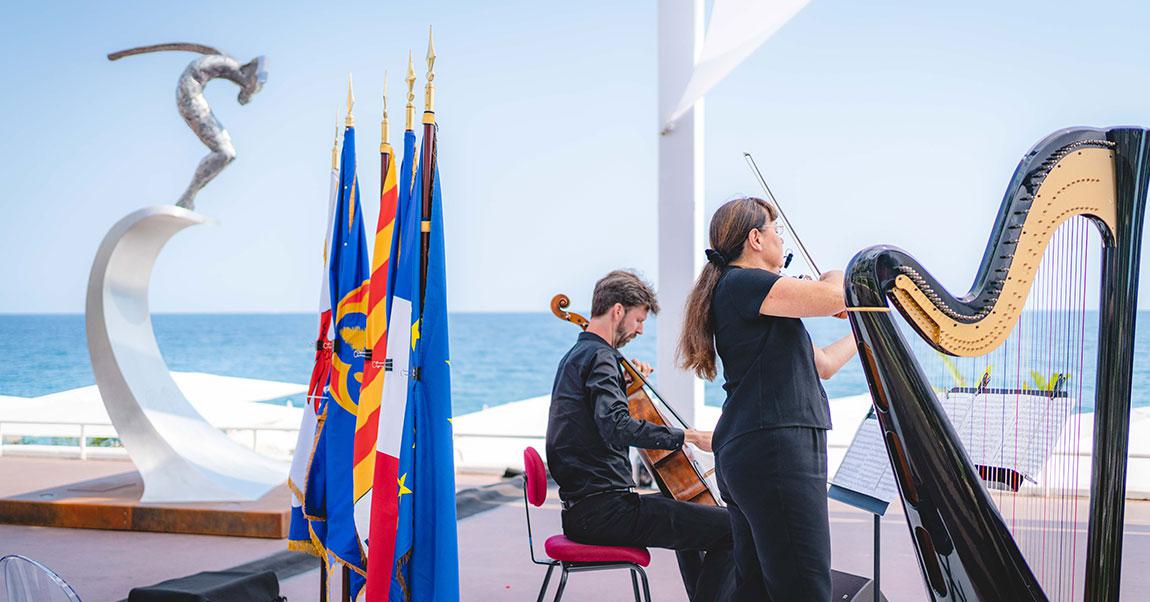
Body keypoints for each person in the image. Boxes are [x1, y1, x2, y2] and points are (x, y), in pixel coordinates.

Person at [678, 197, 857, 601]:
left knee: (757, 589)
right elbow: (835, 295)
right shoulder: (745, 283)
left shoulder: (752, 297)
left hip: (755, 449)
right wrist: (834, 275)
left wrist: (869, 333)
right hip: (775, 447)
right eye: (777, 230)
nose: (782, 239)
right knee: (804, 587)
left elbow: (824, 364)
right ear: (755, 238)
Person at [546, 269, 734, 601]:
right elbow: (616, 426)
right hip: (604, 513)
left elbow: (600, 423)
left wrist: (626, 386)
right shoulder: (601, 358)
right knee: (733, 529)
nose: (640, 330)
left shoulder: (578, 356)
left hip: (586, 510)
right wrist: (685, 437)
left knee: (685, 510)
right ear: (617, 310)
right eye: (638, 319)